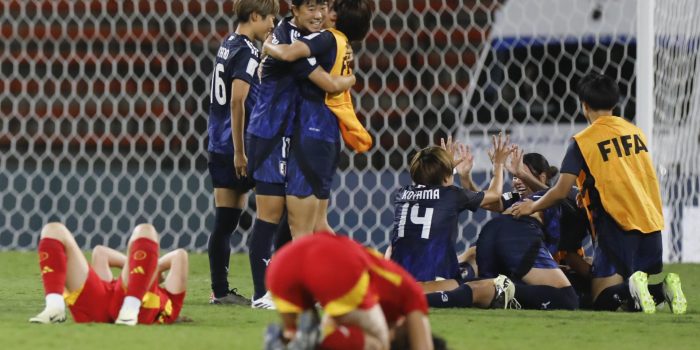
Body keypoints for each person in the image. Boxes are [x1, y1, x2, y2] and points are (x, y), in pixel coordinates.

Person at [511, 72, 687, 314]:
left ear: (584, 106)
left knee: (603, 300)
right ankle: (664, 289)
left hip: (617, 225)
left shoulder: (583, 142)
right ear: (615, 103)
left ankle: (643, 289)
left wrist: (531, 206)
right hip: (650, 223)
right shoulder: (635, 132)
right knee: (630, 298)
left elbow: (562, 190)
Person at [245, 0, 356, 309]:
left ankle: (312, 284)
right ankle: (261, 294)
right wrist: (349, 80)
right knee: (270, 215)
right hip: (269, 134)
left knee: (297, 220)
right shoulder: (286, 38)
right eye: (310, 8)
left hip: (292, 135)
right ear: (293, 9)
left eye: (322, 7)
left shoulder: (309, 39)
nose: (318, 15)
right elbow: (330, 82)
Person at [261, 0, 374, 240]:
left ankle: (319, 276)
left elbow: (291, 54)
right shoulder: (343, 45)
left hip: (311, 134)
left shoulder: (325, 39)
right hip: (327, 135)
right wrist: (351, 80)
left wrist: (269, 45)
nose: (322, 12)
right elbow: (335, 83)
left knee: (300, 230)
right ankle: (354, 273)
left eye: (328, 9)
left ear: (335, 17)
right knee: (318, 226)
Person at [206, 0, 278, 306]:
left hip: (218, 143)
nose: (273, 24)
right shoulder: (247, 50)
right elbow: (238, 100)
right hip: (242, 147)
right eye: (270, 17)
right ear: (255, 16)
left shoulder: (228, 43)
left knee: (225, 221)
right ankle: (269, 288)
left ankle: (220, 291)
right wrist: (240, 151)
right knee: (277, 213)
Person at [264, 232, 439, 350]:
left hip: (280, 265)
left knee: (302, 336)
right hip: (339, 265)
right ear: (402, 324)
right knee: (378, 343)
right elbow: (423, 345)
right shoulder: (411, 294)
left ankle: (287, 340)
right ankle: (315, 341)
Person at [385, 134, 510, 282]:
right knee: (487, 282)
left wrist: (445, 168)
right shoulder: (452, 195)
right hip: (437, 280)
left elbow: (437, 194)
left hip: (399, 278)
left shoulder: (402, 194)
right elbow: (495, 194)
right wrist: (498, 164)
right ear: (445, 176)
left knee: (393, 247)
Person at [29, 223, 187, 325]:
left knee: (145, 230)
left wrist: (153, 267)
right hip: (106, 301)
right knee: (53, 229)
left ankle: (131, 308)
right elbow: (100, 253)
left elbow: (180, 255)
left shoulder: (171, 302)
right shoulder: (160, 293)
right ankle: (54, 307)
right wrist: (147, 266)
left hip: (141, 310)